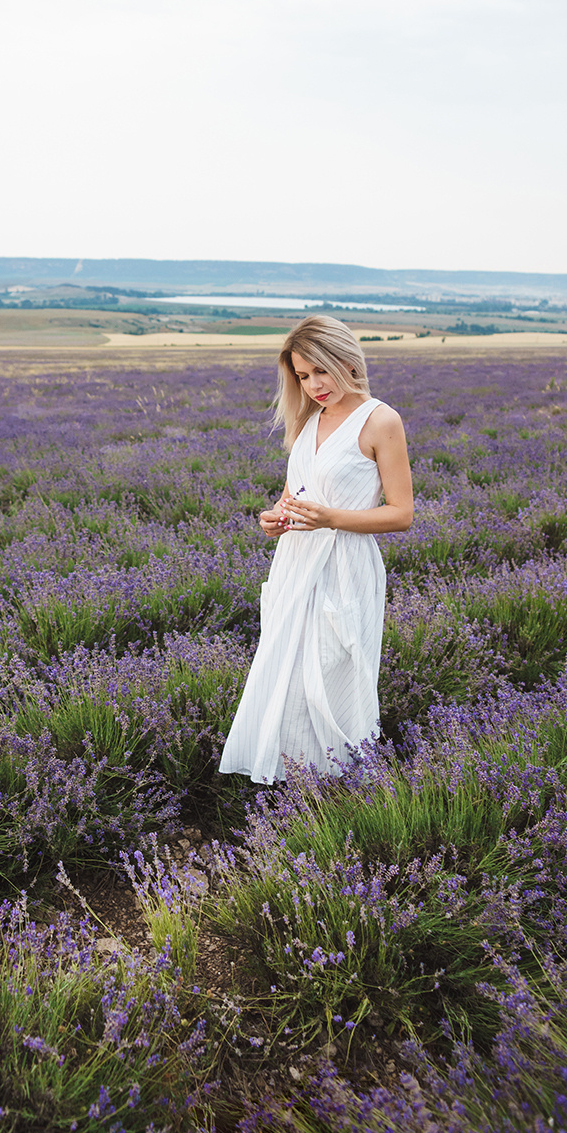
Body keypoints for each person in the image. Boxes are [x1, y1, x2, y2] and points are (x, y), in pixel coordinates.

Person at [219, 315, 414, 783]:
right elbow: (293, 497)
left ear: (345, 359)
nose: (313, 385)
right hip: (296, 563)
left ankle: (342, 784)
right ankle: (293, 777)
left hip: (345, 566)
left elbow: (402, 513)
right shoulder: (310, 420)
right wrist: (275, 519)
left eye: (320, 371)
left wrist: (332, 519)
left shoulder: (380, 420)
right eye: (303, 377)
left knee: (337, 672)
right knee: (288, 671)